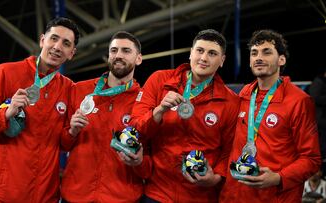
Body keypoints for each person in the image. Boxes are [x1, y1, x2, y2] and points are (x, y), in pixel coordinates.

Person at [0, 17, 79, 203]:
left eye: (66, 43)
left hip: (43, 196)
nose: (58, 47)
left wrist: (73, 131)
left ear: (71, 53)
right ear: (42, 40)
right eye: (54, 38)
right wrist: (5, 114)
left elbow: (64, 144)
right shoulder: (5, 73)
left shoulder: (69, 89)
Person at [130, 29, 240, 202]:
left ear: (222, 61)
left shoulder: (230, 101)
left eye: (212, 53)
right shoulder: (160, 80)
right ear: (190, 54)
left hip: (201, 196)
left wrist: (215, 178)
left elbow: (229, 151)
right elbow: (136, 129)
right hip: (158, 193)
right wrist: (159, 110)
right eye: (200, 51)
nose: (204, 58)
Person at [220, 29, 321, 202]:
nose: (259, 57)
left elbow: (311, 159)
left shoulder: (299, 101)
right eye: (254, 53)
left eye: (267, 52)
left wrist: (279, 177)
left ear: (281, 60)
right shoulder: (244, 94)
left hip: (274, 197)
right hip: (234, 195)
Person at [60, 31, 143, 202]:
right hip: (77, 194)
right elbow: (62, 143)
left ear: (138, 58)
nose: (118, 55)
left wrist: (139, 161)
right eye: (114, 50)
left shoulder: (144, 100)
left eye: (126, 51)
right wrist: (72, 132)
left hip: (122, 197)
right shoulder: (79, 90)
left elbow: (150, 155)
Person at [309, 69, 326, 177]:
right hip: (320, 120)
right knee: (320, 145)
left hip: (323, 120)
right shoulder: (318, 81)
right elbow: (313, 97)